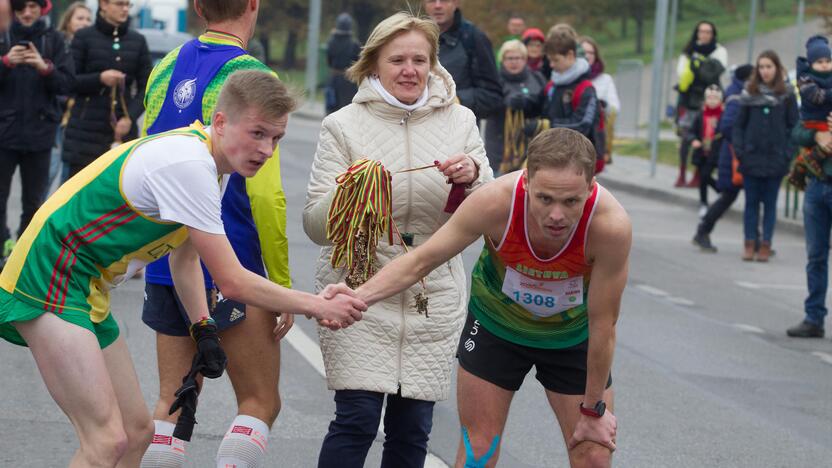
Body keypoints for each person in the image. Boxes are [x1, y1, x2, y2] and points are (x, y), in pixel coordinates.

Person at [0, 70, 366, 467]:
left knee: (138, 432)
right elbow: (231, 280)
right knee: (104, 441)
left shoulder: (212, 162)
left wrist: (203, 327)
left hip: (84, 283)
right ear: (221, 122)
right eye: (258, 133)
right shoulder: (190, 165)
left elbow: (185, 256)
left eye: (276, 138)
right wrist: (315, 305)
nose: (267, 150)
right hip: (51, 276)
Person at [337, 127, 630, 468]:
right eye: (545, 198)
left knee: (593, 453)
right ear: (527, 184)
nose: (556, 215)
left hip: (571, 337)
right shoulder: (496, 202)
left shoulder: (609, 226)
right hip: (496, 327)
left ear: (590, 190)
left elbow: (604, 323)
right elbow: (421, 260)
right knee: (479, 451)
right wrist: (355, 298)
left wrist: (593, 408)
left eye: (571, 201)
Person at [303, 12, 492, 468]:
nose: (410, 70)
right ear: (373, 66)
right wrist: (350, 192)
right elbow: (314, 225)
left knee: (413, 429)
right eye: (398, 60)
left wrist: (471, 179)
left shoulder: (461, 121)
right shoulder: (342, 126)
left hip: (433, 293)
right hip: (359, 288)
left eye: (420, 59)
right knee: (357, 418)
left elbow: (490, 211)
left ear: (433, 64)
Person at [137, 2, 294, 467]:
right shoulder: (252, 77)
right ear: (253, 5)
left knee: (174, 401)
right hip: (232, 258)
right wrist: (280, 282)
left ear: (197, 7)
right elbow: (266, 197)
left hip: (168, 257)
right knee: (260, 402)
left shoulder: (165, 68)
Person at [0, 0, 74, 266]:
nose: (27, 13)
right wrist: (6, 62)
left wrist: (46, 69)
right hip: (4, 133)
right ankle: (2, 246)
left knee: (34, 202)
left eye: (33, 6)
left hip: (40, 132)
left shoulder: (53, 39)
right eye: (21, 8)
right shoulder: (3, 33)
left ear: (42, 8)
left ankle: (22, 255)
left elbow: (68, 83)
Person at [62, 0, 152, 180]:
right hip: (85, 133)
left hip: (122, 134)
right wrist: (99, 79)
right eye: (120, 4)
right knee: (81, 196)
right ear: (103, 5)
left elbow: (147, 86)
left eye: (128, 5)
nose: (125, 9)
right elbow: (68, 81)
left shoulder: (138, 40)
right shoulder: (83, 37)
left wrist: (130, 117)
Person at [733, 50, 798, 262]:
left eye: (769, 67)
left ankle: (766, 244)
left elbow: (794, 126)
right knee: (751, 203)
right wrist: (741, 151)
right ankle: (749, 243)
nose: (765, 71)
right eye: (761, 67)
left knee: (770, 204)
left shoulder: (786, 94)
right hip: (751, 158)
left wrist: (787, 153)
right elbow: (738, 126)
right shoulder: (749, 94)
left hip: (776, 159)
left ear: (777, 69)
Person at [692, 64, 753, 252]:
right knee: (729, 196)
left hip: (737, 155)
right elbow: (727, 127)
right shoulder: (737, 96)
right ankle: (703, 230)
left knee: (745, 197)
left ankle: (756, 240)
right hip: (734, 156)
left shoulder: (739, 92)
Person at [424, 0, 501, 122]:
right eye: (431, 0)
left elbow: (492, 97)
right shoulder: (414, 37)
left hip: (458, 130)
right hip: (418, 128)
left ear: (456, 3)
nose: (437, 5)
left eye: (444, 0)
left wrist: (455, 100)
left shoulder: (474, 38)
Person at [542, 26, 605, 173]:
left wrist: (546, 126)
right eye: (549, 60)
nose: (551, 65)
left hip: (580, 162)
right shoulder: (553, 85)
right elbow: (539, 107)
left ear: (570, 55)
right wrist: (523, 102)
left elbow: (582, 124)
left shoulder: (586, 88)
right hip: (554, 157)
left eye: (555, 60)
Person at [675, 21, 727, 187]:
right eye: (701, 31)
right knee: (685, 137)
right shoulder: (688, 51)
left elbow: (713, 75)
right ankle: (681, 173)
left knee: (705, 137)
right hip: (688, 100)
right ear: (697, 33)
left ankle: (698, 174)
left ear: (713, 34)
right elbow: (681, 73)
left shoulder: (718, 52)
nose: (704, 35)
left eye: (708, 32)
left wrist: (699, 68)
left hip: (708, 100)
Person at [47, 1, 91, 191]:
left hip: (78, 116)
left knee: (68, 172)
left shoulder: (91, 46)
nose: (84, 23)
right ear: (68, 21)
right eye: (80, 18)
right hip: (56, 113)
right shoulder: (58, 43)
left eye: (88, 19)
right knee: (50, 168)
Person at [484, 39, 545, 174]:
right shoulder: (494, 80)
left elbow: (545, 104)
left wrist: (529, 103)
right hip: (501, 149)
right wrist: (506, 103)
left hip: (531, 145)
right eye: (509, 58)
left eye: (518, 58)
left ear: (525, 59)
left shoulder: (537, 78)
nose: (514, 62)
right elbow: (487, 106)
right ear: (502, 60)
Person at [788, 35, 832, 189]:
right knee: (827, 139)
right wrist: (815, 136)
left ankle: (802, 164)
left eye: (828, 61)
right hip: (814, 120)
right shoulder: (806, 78)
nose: (825, 65)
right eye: (820, 62)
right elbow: (816, 96)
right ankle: (804, 164)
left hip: (824, 121)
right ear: (811, 63)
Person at [580, 36, 620, 165]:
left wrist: (602, 105)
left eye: (591, 52)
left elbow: (615, 108)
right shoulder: (569, 77)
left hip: (596, 134)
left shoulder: (605, 79)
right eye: (584, 52)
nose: (587, 55)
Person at [689, 85, 723, 217]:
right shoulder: (701, 114)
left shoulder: (723, 115)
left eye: (715, 98)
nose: (712, 100)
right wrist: (694, 140)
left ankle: (720, 190)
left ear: (720, 99)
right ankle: (703, 203)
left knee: (705, 175)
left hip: (717, 152)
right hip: (702, 151)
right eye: (709, 97)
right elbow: (692, 132)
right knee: (703, 178)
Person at [324, 12, 360, 114]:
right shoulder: (354, 44)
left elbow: (329, 62)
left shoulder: (331, 42)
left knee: (331, 110)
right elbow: (358, 62)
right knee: (347, 110)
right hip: (349, 81)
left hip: (334, 79)